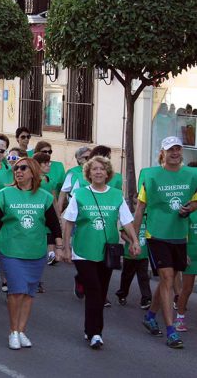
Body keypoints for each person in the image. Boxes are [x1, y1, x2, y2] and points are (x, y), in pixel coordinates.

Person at [61, 155, 140, 350]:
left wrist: (135, 241)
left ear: (108, 173)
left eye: (102, 169)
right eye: (94, 169)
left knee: (101, 290)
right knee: (95, 291)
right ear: (88, 173)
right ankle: (96, 332)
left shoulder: (115, 195)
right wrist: (66, 248)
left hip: (108, 251)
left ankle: (92, 330)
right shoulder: (80, 194)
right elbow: (68, 222)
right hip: (83, 251)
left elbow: (127, 221)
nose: (98, 172)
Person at [0, 157, 62, 350]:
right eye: (16, 168)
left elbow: (53, 224)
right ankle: (13, 331)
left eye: (23, 168)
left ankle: (21, 331)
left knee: (29, 293)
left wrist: (59, 247)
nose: (18, 171)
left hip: (36, 251)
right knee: (17, 290)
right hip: (11, 250)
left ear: (33, 172)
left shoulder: (44, 196)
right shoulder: (4, 195)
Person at [134, 136, 197, 349]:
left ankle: (151, 315)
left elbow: (196, 198)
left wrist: (192, 207)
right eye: (171, 150)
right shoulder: (151, 176)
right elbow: (141, 208)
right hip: (157, 235)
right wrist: (135, 238)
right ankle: (171, 331)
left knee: (166, 281)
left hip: (179, 235)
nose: (175, 153)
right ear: (163, 152)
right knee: (168, 278)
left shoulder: (192, 175)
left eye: (178, 149)